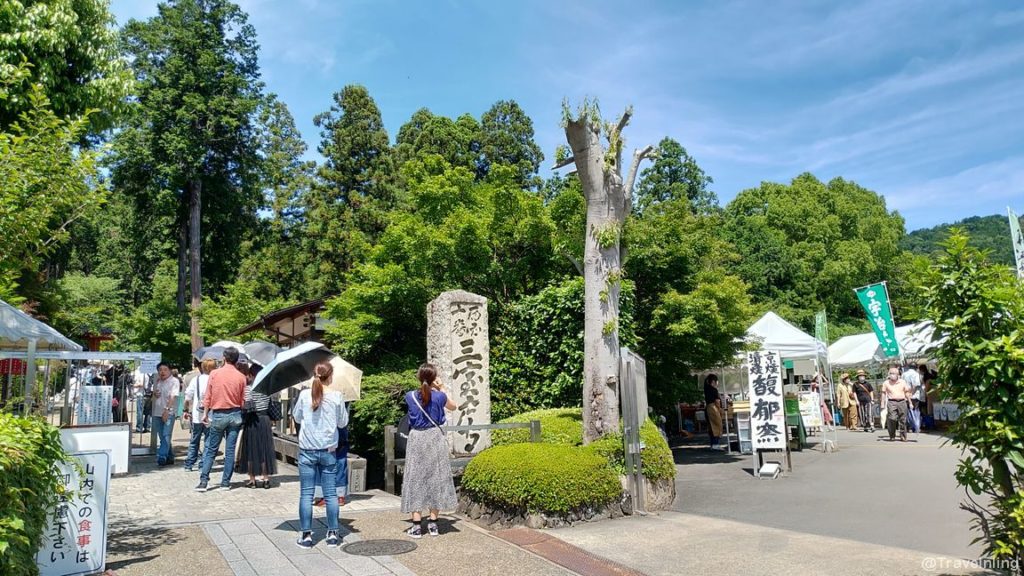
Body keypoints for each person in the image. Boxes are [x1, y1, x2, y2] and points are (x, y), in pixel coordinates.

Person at [292, 360, 348, 549]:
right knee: (331, 494)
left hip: (307, 449)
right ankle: (332, 533)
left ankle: (306, 535)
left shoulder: (304, 395)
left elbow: (297, 417)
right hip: (328, 450)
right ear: (330, 376)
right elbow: (342, 424)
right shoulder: (337, 396)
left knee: (306, 494)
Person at [401, 363, 458, 538]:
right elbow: (454, 406)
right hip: (435, 438)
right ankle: (433, 524)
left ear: (419, 377)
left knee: (415, 478)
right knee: (437, 477)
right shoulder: (440, 396)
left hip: (417, 438)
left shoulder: (410, 396)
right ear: (434, 378)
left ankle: (417, 526)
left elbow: (420, 399)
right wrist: (441, 387)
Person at [195, 347, 247, 492]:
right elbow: (243, 401)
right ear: (237, 360)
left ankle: (204, 481)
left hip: (218, 413)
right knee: (230, 451)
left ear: (224, 358)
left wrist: (205, 413)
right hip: (236, 414)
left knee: (211, 449)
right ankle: (225, 482)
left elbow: (208, 396)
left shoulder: (214, 374)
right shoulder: (241, 377)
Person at [236, 362, 277, 489]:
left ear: (251, 374)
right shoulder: (267, 389)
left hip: (252, 420)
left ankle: (252, 479)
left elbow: (245, 405)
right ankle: (266, 479)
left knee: (251, 449)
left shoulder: (248, 388)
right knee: (264, 449)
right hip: (265, 419)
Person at [182, 358, 215, 471]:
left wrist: (185, 410)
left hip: (197, 414)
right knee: (208, 441)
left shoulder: (196, 380)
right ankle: (203, 464)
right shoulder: (214, 380)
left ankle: (189, 464)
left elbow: (187, 397)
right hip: (210, 415)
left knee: (194, 440)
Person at [151, 363, 180, 466]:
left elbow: (173, 396)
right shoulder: (158, 381)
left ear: (170, 370)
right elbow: (156, 394)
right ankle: (170, 457)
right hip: (157, 411)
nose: (162, 372)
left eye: (165, 369)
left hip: (169, 412)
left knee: (166, 434)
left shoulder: (174, 381)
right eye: (160, 370)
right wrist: (154, 393)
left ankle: (162, 456)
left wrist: (167, 410)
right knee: (162, 436)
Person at [883, 366, 913, 442]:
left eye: (894, 373)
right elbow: (883, 393)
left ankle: (903, 436)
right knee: (892, 418)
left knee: (903, 419)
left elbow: (906, 392)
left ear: (897, 374)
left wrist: (910, 402)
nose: (892, 375)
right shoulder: (886, 383)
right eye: (891, 373)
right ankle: (892, 435)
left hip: (902, 402)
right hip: (891, 402)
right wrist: (882, 403)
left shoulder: (902, 382)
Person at [703, 374, 725, 450]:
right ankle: (716, 444)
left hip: (708, 408)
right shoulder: (713, 389)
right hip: (713, 408)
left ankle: (713, 444)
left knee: (711, 427)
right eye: (717, 381)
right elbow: (717, 401)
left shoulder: (706, 388)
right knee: (717, 425)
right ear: (713, 381)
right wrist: (720, 409)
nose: (717, 383)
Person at [903, 362, 923, 435]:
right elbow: (915, 385)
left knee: (908, 411)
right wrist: (912, 393)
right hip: (915, 395)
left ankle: (910, 427)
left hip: (905, 395)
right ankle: (916, 427)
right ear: (916, 367)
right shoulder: (916, 374)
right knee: (916, 411)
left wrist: (907, 394)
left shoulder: (904, 374)